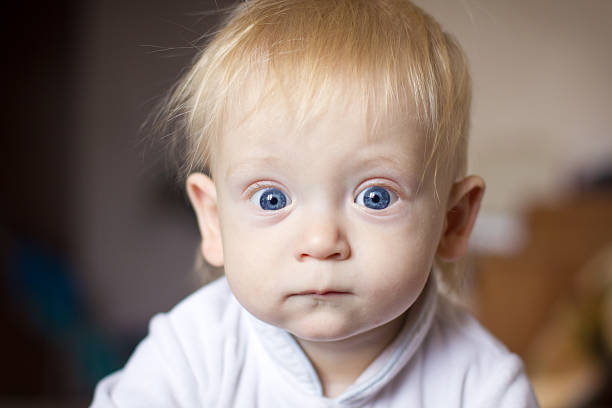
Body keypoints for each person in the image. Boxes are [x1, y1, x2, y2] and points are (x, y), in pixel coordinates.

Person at [91, 0, 539, 406]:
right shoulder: (191, 353)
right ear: (213, 221)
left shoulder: (482, 387)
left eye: (375, 196)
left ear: (453, 221)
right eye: (272, 198)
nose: (322, 242)